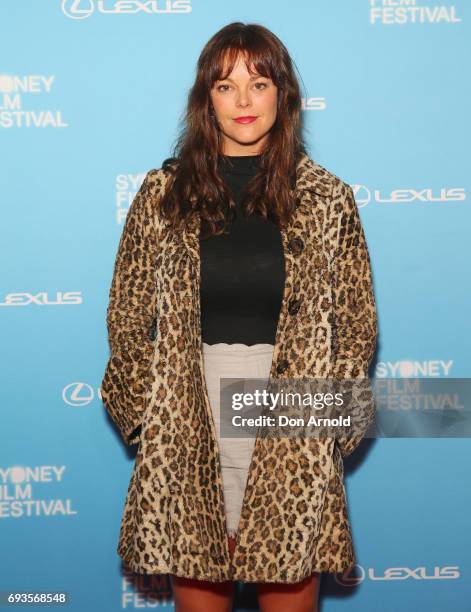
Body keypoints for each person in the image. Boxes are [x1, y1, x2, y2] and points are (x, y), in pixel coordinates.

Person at [101, 21, 377, 612]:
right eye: (226, 86)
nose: (245, 101)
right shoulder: (162, 195)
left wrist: (328, 434)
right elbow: (126, 320)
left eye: (259, 82)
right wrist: (153, 421)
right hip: (190, 418)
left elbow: (357, 326)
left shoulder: (328, 200)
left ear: (284, 93)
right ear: (206, 99)